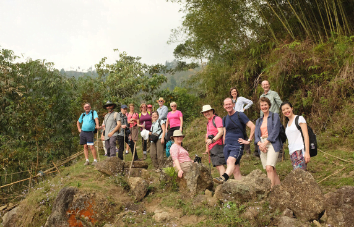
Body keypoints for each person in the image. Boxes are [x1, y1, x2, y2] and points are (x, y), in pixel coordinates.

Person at [213, 98, 255, 184]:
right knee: (235, 169)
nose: (228, 106)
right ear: (224, 106)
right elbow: (225, 132)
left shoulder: (240, 115)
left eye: (229, 104)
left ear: (233, 104)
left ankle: (224, 177)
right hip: (227, 145)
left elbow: (252, 126)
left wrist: (248, 140)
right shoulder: (224, 118)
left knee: (230, 161)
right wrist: (224, 144)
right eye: (226, 104)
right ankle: (241, 190)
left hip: (237, 144)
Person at [254, 97, 282, 187]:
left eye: (265, 104)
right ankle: (279, 188)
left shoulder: (275, 116)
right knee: (270, 169)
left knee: (269, 167)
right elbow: (256, 135)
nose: (264, 107)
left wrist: (265, 143)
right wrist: (260, 144)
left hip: (272, 143)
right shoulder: (258, 120)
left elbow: (275, 131)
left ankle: (271, 190)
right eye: (262, 105)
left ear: (269, 105)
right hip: (262, 144)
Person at [256, 80, 283, 158]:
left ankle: (279, 152)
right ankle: (265, 151)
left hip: (273, 118)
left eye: (267, 84)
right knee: (264, 135)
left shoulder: (274, 94)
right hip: (264, 118)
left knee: (275, 134)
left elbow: (280, 103)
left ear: (269, 85)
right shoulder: (261, 96)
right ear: (262, 86)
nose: (265, 86)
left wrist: (284, 110)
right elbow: (261, 109)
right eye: (264, 85)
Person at [281, 102, 310, 170]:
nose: (286, 111)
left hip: (300, 151)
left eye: (287, 108)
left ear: (292, 108)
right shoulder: (287, 124)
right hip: (292, 153)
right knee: (298, 175)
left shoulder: (299, 119)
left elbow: (306, 135)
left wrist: (307, 152)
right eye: (283, 110)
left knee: (299, 174)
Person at [201, 105, 226, 177]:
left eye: (208, 111)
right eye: (204, 112)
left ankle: (224, 182)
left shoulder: (217, 119)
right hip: (212, 147)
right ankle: (223, 181)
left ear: (212, 111)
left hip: (217, 145)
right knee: (218, 166)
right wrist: (207, 148)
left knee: (220, 165)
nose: (206, 113)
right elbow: (207, 135)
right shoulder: (209, 122)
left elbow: (221, 132)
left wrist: (213, 140)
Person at [230, 87, 253, 154]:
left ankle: (247, 150)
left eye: (235, 91)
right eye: (232, 92)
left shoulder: (240, 98)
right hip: (233, 118)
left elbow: (250, 102)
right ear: (230, 94)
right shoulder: (230, 100)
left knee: (243, 133)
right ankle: (239, 149)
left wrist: (244, 109)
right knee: (235, 133)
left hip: (240, 117)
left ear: (237, 92)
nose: (234, 93)